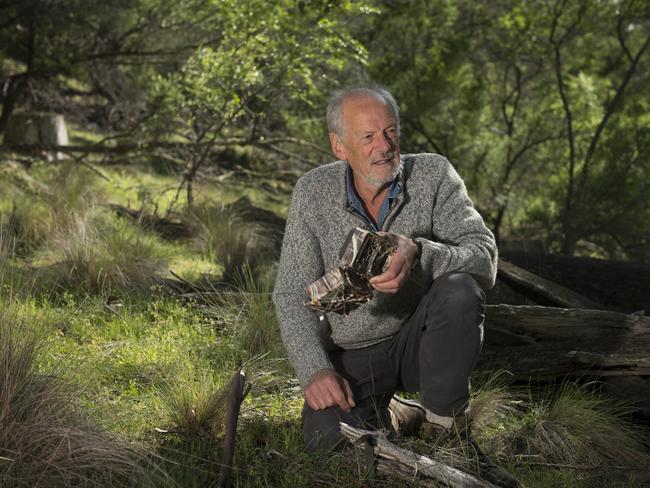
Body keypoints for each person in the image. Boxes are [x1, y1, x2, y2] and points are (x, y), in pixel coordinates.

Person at [273, 85, 516, 486]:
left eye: (390, 131)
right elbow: (288, 295)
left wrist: (420, 251)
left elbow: (485, 259)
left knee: (460, 290)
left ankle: (450, 435)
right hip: (354, 352)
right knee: (328, 443)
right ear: (339, 147)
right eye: (367, 137)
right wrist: (314, 371)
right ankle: (397, 411)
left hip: (422, 341)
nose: (383, 146)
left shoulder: (434, 174)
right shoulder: (312, 192)